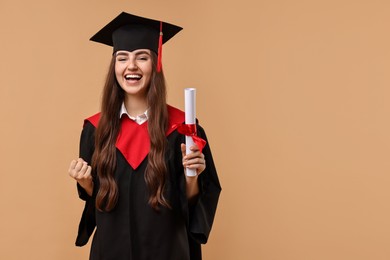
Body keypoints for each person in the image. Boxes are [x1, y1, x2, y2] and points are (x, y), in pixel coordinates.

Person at [68, 12, 221, 260]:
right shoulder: (95, 130)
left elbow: (192, 204)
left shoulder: (184, 129)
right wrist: (85, 182)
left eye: (142, 57)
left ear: (156, 64)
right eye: (122, 58)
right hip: (111, 251)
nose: (131, 66)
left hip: (168, 251)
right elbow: (97, 200)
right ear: (114, 67)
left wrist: (193, 176)